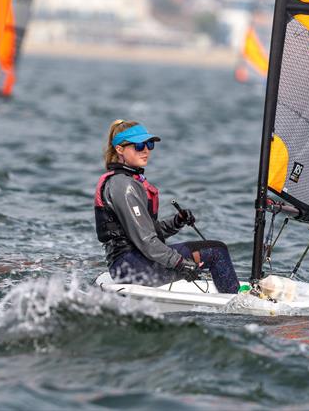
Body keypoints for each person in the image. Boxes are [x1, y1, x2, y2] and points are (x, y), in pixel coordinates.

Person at [94, 119, 240, 293]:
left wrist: (176, 222)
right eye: (139, 146)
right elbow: (146, 241)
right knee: (217, 251)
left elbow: (145, 233)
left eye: (149, 144)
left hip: (131, 264)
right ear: (120, 149)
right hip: (132, 268)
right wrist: (179, 263)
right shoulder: (124, 186)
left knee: (209, 253)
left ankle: (230, 294)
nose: (146, 150)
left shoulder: (127, 181)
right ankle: (237, 304)